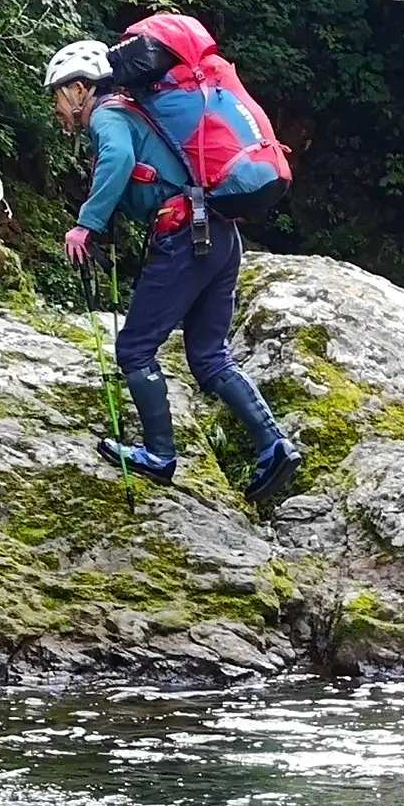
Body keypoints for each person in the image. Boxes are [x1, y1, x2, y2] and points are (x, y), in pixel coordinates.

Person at [48, 34, 300, 504]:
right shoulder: (137, 111)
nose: (58, 110)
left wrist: (86, 226)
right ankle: (274, 445)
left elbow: (121, 160)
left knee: (135, 350)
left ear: (80, 88)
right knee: (208, 355)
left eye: (58, 96)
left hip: (185, 236)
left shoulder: (109, 113)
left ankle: (159, 454)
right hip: (220, 234)